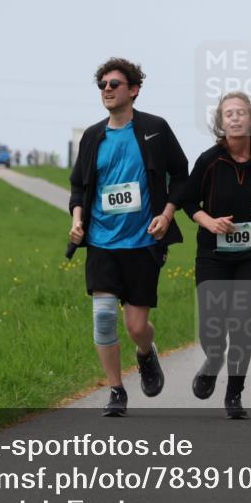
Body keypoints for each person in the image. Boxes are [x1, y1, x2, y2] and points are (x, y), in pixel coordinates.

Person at [68, 58, 189, 416]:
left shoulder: (155, 129)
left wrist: (167, 214)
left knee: (137, 327)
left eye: (114, 84)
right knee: (104, 318)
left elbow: (181, 175)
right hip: (102, 242)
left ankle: (145, 353)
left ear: (133, 90)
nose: (107, 89)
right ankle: (116, 390)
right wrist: (77, 219)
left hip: (143, 243)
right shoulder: (93, 136)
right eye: (102, 84)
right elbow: (78, 186)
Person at [181, 91, 251, 418]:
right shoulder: (209, 160)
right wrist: (210, 222)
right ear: (221, 122)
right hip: (213, 253)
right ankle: (214, 359)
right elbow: (189, 202)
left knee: (241, 323)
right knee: (212, 325)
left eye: (241, 112)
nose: (235, 118)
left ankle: (234, 394)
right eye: (229, 114)